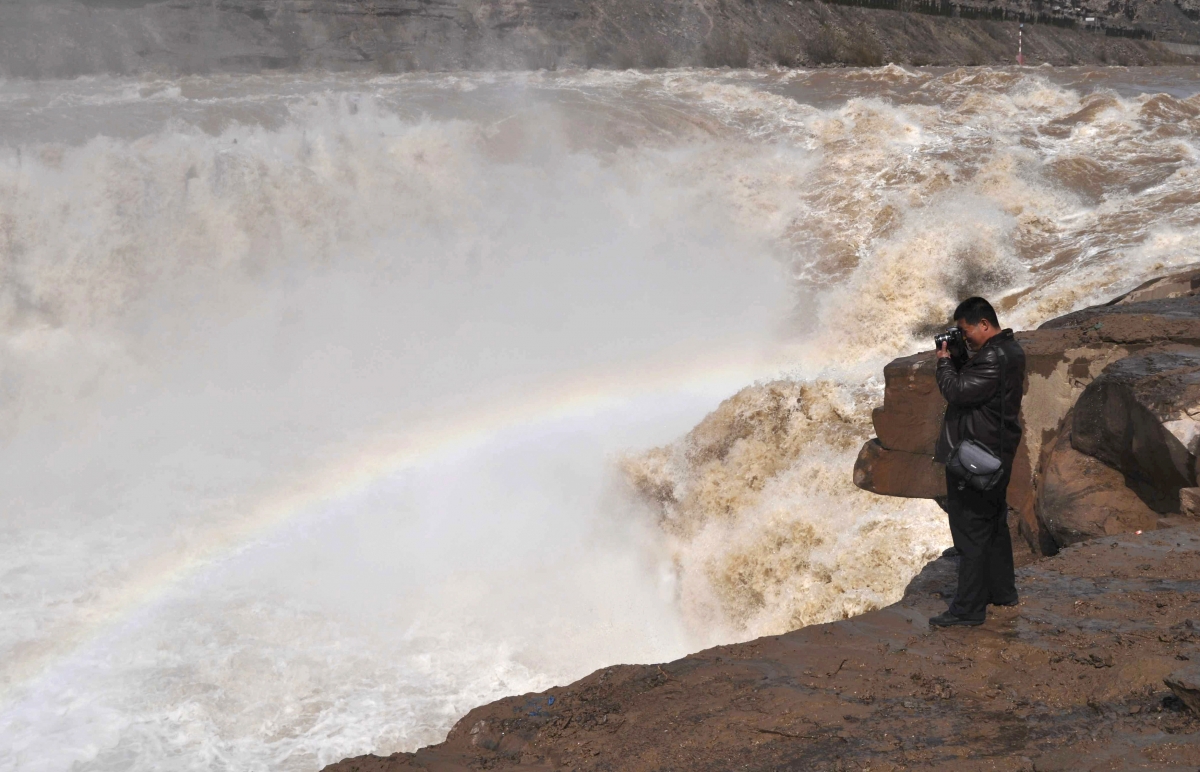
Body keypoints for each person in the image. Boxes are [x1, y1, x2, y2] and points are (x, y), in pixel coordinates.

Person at [929, 297, 1025, 628]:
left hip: (976, 458)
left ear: (984, 324)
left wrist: (944, 362)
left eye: (965, 330)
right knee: (994, 526)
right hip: (996, 453)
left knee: (969, 533)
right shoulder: (1008, 350)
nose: (964, 337)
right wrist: (959, 356)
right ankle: (1003, 592)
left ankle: (967, 610)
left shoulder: (993, 358)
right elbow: (976, 386)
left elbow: (957, 392)